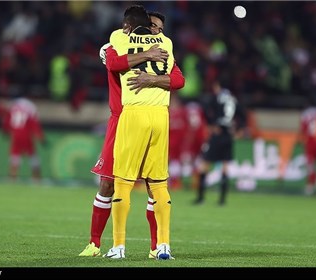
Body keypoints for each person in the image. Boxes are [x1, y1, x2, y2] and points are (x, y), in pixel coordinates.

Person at [79, 10, 184, 259]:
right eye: (153, 27)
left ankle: (154, 247)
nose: (156, 32)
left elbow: (178, 79)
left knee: (150, 185)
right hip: (121, 119)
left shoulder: (160, 47)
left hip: (139, 116)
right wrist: (148, 56)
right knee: (108, 183)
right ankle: (94, 244)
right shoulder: (115, 45)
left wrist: (151, 79)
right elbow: (114, 62)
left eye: (160, 29)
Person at [194, 78, 246, 206]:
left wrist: (211, 125)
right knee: (225, 167)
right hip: (228, 135)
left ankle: (201, 198)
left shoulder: (216, 97)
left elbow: (205, 109)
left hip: (217, 134)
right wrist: (239, 130)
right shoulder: (233, 99)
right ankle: (222, 201)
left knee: (205, 164)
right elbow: (243, 115)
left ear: (218, 86)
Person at [2, 97, 46, 181]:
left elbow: (6, 121)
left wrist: (5, 131)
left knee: (15, 157)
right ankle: (37, 178)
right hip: (26, 135)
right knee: (33, 156)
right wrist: (41, 137)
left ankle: (12, 178)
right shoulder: (30, 109)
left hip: (16, 135)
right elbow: (34, 124)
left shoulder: (13, 108)